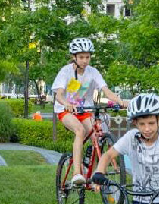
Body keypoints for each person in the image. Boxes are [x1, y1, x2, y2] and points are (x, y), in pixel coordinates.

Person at [51, 38, 125, 186]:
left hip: (84, 109)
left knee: (97, 134)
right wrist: (66, 104)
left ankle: (93, 166)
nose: (85, 60)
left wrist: (120, 102)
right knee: (79, 131)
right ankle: (76, 173)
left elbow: (106, 91)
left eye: (87, 57)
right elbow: (59, 95)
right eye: (81, 57)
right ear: (74, 57)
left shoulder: (93, 72)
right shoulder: (65, 72)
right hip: (65, 110)